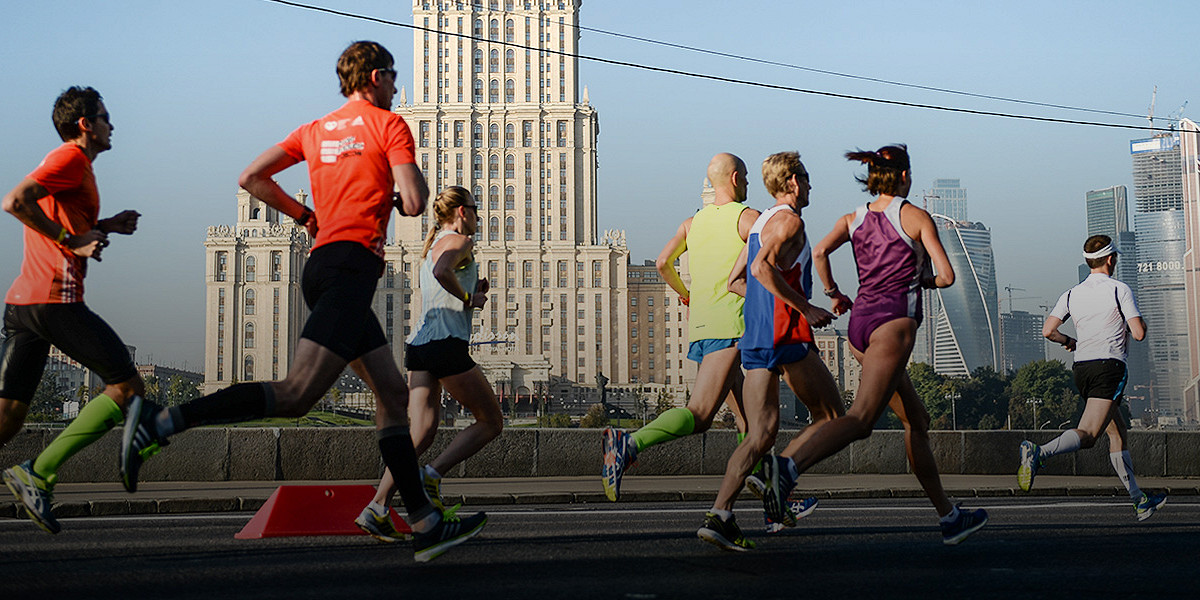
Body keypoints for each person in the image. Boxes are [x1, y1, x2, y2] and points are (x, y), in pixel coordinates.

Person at [118, 41, 485, 562]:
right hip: (352, 269)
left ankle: (424, 520)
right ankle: (161, 422)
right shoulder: (389, 125)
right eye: (392, 77)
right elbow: (418, 202)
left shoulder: (315, 130)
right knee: (296, 395)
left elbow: (251, 177)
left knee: (392, 398)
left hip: (322, 266)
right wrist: (398, 182)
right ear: (376, 77)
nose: (396, 86)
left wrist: (302, 214)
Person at [761, 144, 988, 545]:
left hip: (860, 328)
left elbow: (819, 251)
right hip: (892, 326)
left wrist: (833, 292)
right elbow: (947, 276)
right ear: (903, 176)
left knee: (916, 420)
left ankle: (950, 517)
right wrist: (922, 281)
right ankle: (786, 469)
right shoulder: (915, 217)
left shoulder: (853, 218)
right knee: (861, 419)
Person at [1, 86, 143, 534]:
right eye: (105, 116)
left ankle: (35, 472)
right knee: (127, 387)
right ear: (86, 124)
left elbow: (58, 218)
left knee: (7, 416)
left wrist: (103, 227)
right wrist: (72, 241)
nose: (111, 124)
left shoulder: (74, 167)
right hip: (53, 300)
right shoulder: (70, 159)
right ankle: (38, 472)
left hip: (22, 303)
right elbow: (16, 201)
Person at [697, 152, 845, 551]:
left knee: (759, 435)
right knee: (833, 416)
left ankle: (721, 514)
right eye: (808, 179)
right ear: (793, 183)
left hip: (756, 339)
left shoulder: (759, 222)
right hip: (787, 337)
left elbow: (735, 281)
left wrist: (766, 305)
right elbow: (761, 269)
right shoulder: (789, 220)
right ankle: (782, 475)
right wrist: (803, 307)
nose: (812, 186)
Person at [602, 153, 759, 501]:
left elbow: (662, 263)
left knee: (750, 422)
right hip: (730, 324)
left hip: (703, 326)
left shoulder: (692, 223)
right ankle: (628, 443)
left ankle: (772, 497)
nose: (749, 182)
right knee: (701, 413)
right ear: (734, 179)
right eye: (746, 176)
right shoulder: (749, 220)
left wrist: (686, 296)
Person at [354, 186, 501, 542]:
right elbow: (441, 272)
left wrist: (470, 293)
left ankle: (376, 507)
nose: (478, 217)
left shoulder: (433, 244)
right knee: (491, 421)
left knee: (420, 433)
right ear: (461, 212)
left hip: (419, 345)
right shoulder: (459, 242)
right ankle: (431, 476)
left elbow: (438, 272)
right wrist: (470, 297)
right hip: (445, 345)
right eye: (475, 209)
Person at [1018, 235, 1166, 520]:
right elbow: (1138, 333)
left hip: (1082, 369)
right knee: (1088, 436)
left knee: (1116, 431)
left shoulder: (1071, 294)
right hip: (1109, 368)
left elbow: (1048, 330)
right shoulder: (1119, 289)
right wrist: (1139, 320)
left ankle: (1139, 499)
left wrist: (1069, 341)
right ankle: (1038, 453)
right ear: (1111, 259)